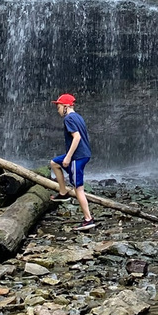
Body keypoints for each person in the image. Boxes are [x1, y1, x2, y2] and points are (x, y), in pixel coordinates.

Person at [49, 93, 96, 231]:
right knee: (54, 163)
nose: (57, 110)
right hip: (83, 154)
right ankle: (63, 192)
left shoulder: (68, 119)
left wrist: (68, 157)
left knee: (78, 189)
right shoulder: (78, 117)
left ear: (66, 106)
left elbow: (77, 137)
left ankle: (88, 219)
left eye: (58, 107)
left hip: (77, 157)